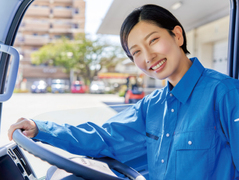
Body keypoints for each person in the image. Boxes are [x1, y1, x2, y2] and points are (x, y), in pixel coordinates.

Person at [8, 4, 239, 180]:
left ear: (177, 35)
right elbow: (104, 138)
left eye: (154, 40)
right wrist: (41, 129)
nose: (148, 57)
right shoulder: (152, 106)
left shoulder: (226, 94)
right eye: (136, 52)